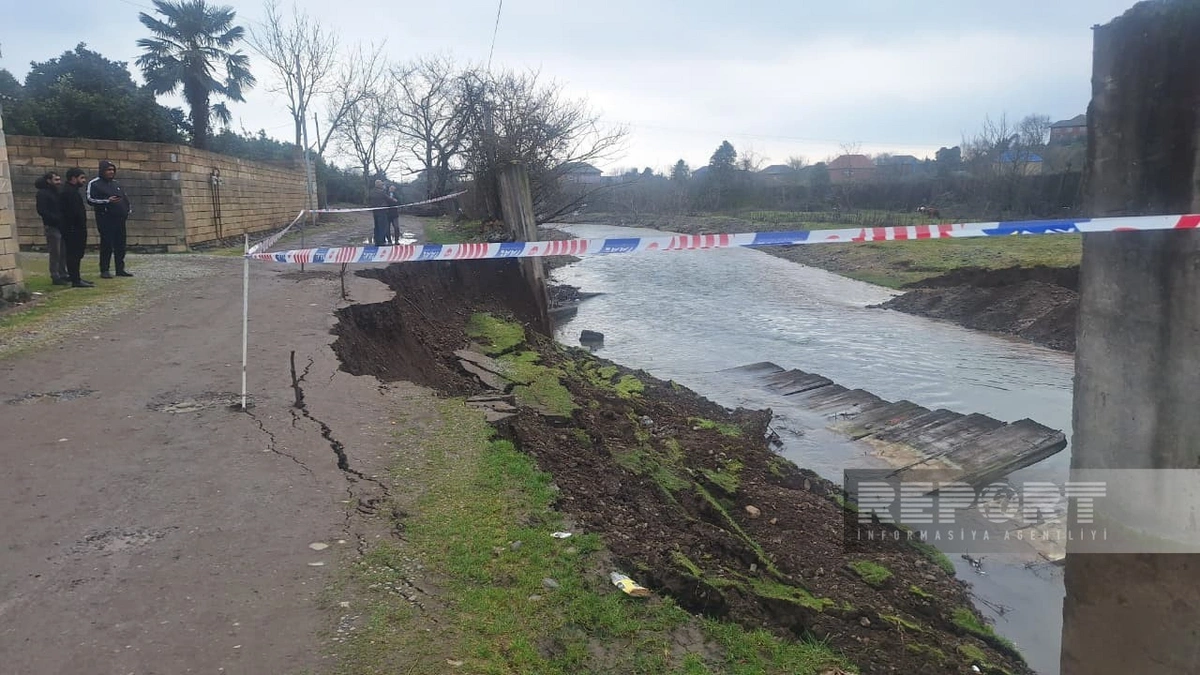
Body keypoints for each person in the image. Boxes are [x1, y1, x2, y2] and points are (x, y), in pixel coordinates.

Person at [86, 160, 133, 278]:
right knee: (107, 244)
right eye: (108, 170)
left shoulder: (116, 184)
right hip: (105, 219)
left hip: (120, 219)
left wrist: (127, 209)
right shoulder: (95, 183)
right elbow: (90, 199)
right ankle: (104, 269)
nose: (111, 172)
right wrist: (107, 201)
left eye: (112, 170)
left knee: (120, 245)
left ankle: (120, 269)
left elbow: (125, 197)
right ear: (102, 171)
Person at [60, 168, 94, 287]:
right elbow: (70, 213)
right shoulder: (68, 192)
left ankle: (76, 277)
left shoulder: (72, 191)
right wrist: (74, 227)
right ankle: (75, 280)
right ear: (73, 178)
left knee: (77, 254)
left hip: (76, 228)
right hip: (73, 229)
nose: (84, 181)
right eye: (81, 178)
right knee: (73, 255)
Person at [34, 171, 69, 285]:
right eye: (56, 180)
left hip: (61, 225)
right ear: (49, 181)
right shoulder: (43, 193)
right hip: (52, 225)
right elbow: (42, 210)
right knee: (55, 252)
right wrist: (55, 219)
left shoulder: (58, 192)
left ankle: (63, 273)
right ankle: (55, 275)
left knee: (63, 251)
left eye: (59, 179)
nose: (59, 182)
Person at [367, 179, 396, 246]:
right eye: (382, 184)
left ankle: (377, 241)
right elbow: (388, 199)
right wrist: (394, 200)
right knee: (382, 227)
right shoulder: (381, 192)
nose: (383, 185)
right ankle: (381, 242)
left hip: (375, 211)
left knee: (376, 226)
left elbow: (368, 199)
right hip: (382, 211)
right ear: (379, 185)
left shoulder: (372, 192)